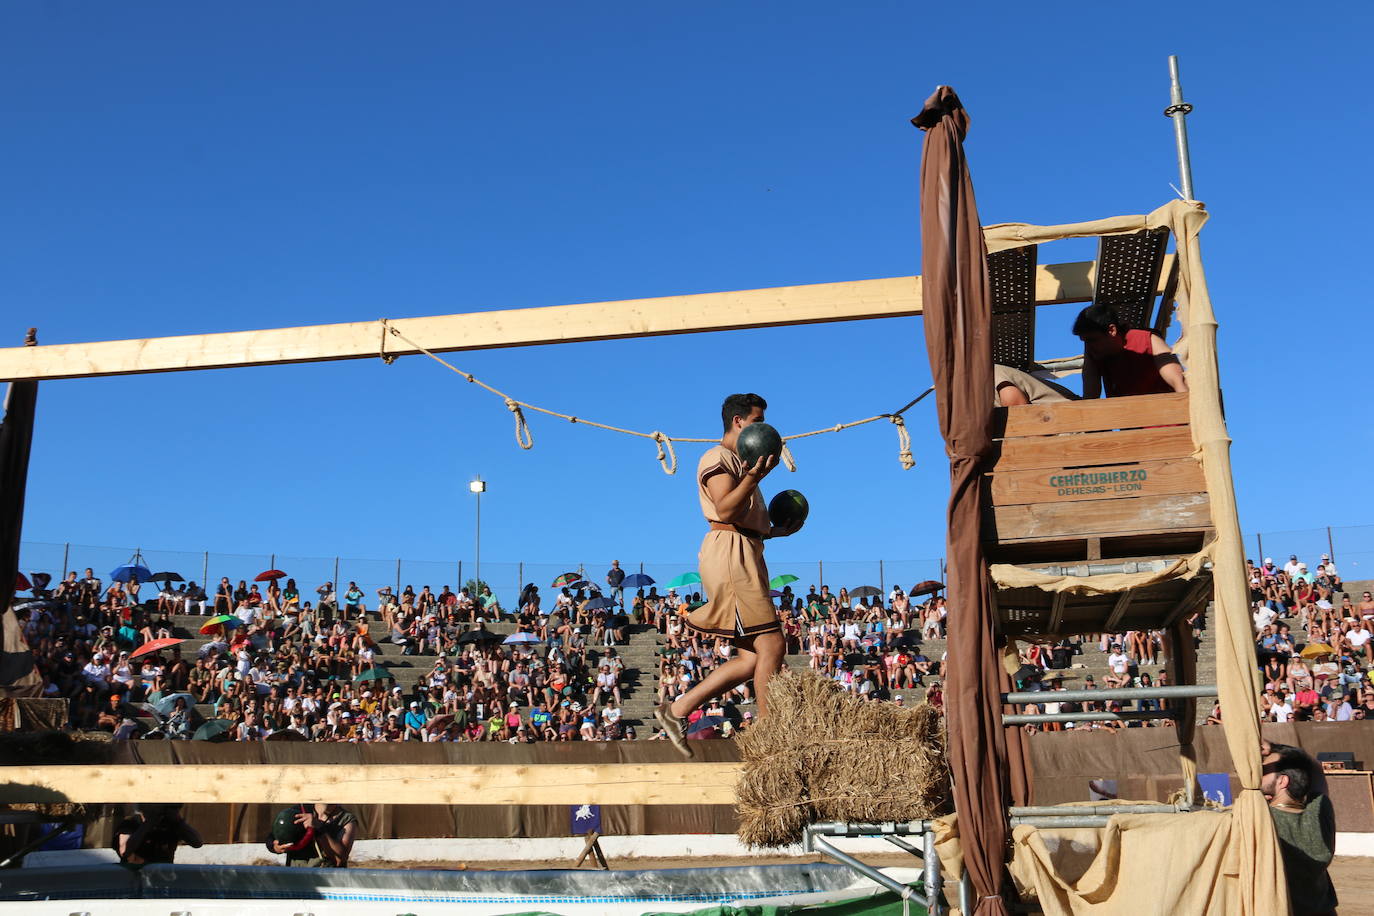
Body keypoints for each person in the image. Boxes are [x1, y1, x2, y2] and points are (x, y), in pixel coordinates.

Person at [655, 393, 803, 757]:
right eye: (757, 420)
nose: (763, 428)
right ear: (738, 422)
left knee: (751, 658)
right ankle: (770, 736)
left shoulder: (738, 461)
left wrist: (772, 530)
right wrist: (753, 476)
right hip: (730, 552)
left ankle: (675, 711)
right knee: (772, 644)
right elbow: (724, 507)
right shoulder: (717, 457)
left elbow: (743, 516)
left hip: (746, 549)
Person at [1261, 740, 1338, 916]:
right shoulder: (1319, 807)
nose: (1259, 774)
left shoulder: (1263, 817)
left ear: (1282, 781)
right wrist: (1276, 749)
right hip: (1324, 911)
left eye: (1264, 771)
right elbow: (1316, 768)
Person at [1072, 304, 1187, 398]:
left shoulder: (1147, 339)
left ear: (1112, 330)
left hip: (1169, 420)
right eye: (1084, 342)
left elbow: (1179, 381)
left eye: (1092, 340)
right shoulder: (1095, 353)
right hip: (1132, 422)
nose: (1088, 346)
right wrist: (1089, 359)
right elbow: (1090, 397)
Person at [266, 803, 358, 867]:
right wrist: (274, 846)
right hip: (296, 877)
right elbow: (274, 836)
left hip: (327, 881)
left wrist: (319, 828)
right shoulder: (300, 810)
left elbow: (339, 859)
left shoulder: (346, 819)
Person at [113, 803, 203, 868]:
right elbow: (124, 851)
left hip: (162, 878)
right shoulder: (131, 823)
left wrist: (178, 821)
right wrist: (150, 823)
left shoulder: (171, 825)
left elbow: (197, 842)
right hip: (134, 879)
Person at [993, 364, 1078, 407]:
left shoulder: (992, 372)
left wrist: (1035, 439)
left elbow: (1014, 404)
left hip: (1070, 421)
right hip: (1049, 426)